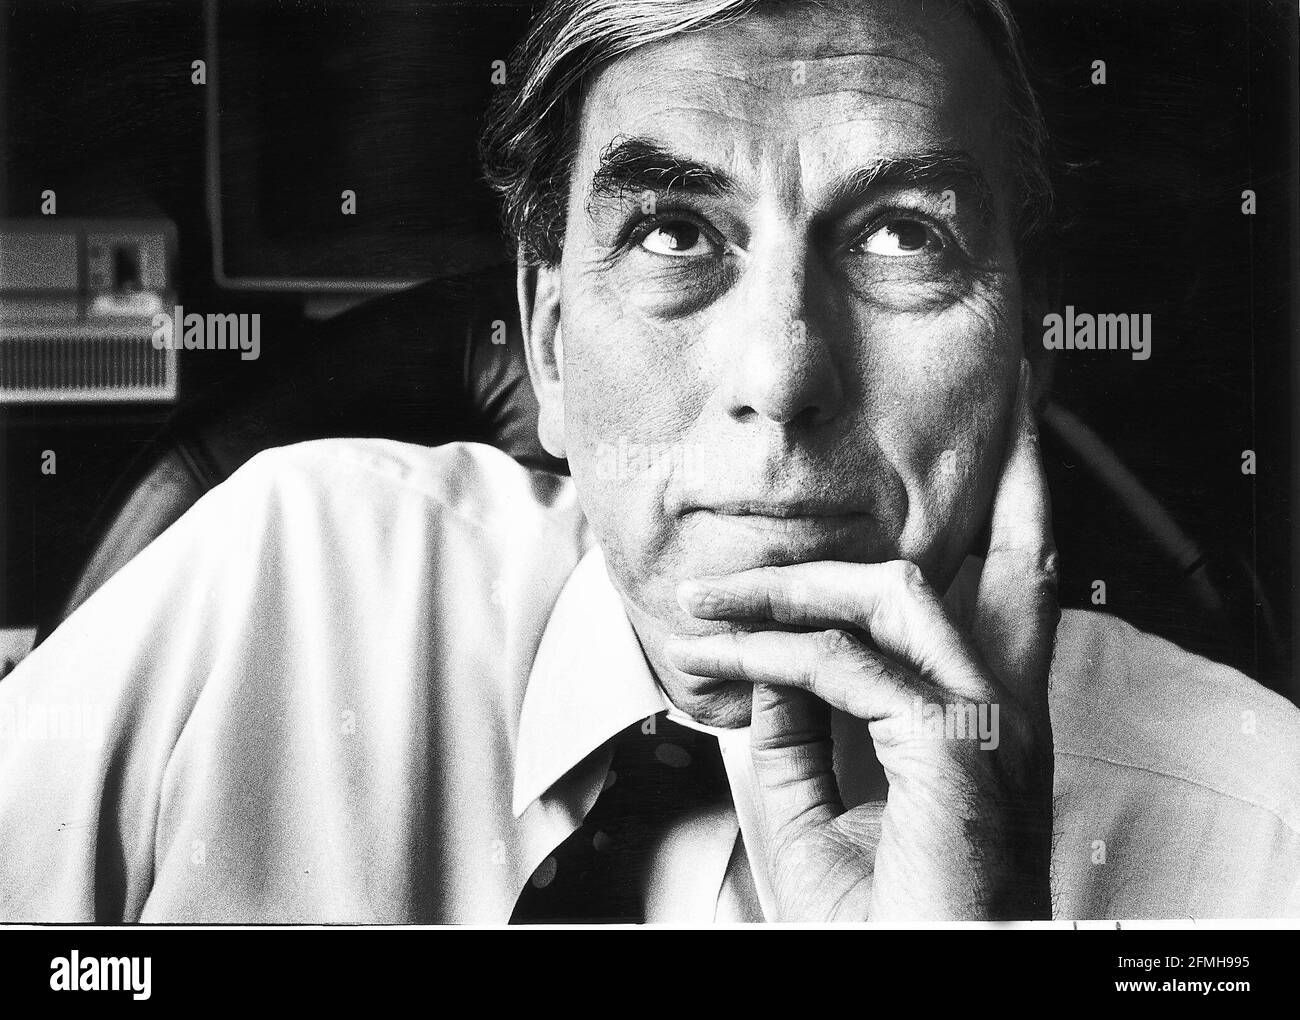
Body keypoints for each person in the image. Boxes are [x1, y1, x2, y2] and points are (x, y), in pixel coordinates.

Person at [0, 0, 1296, 923]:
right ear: (550, 346)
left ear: (1025, 352)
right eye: (674, 232)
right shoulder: (271, 580)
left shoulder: (1263, 835)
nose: (779, 376)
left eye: (903, 236)